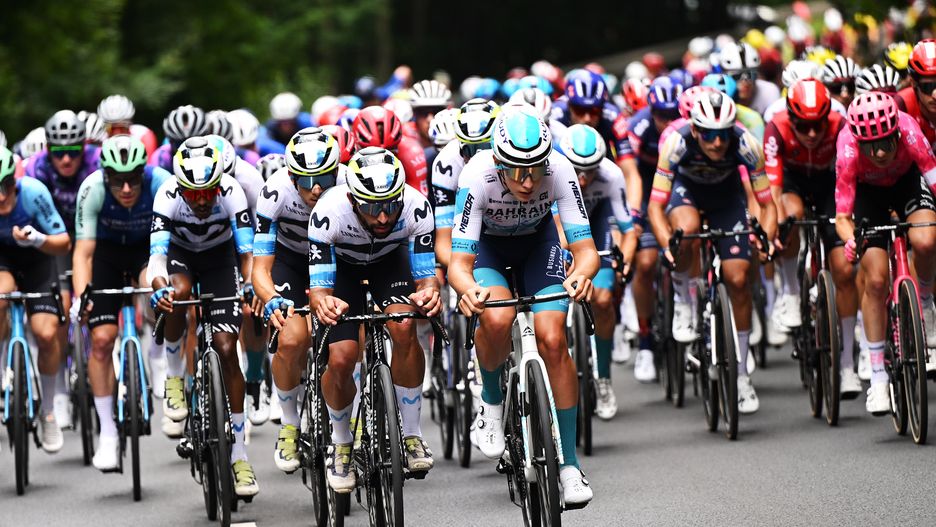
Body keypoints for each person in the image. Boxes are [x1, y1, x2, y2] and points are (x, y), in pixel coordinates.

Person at [448, 110, 597, 506]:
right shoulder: (476, 176)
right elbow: (459, 264)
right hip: (490, 252)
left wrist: (582, 275)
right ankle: (491, 401)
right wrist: (468, 290)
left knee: (553, 338)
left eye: (535, 170)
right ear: (499, 162)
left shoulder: (560, 169)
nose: (529, 182)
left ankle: (569, 466)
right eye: (517, 172)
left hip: (538, 246)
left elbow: (586, 251)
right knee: (497, 317)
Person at [307, 147, 440, 492]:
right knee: (342, 356)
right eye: (371, 207)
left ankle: (411, 434)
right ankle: (341, 444)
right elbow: (319, 292)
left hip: (389, 263)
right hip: (342, 271)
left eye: (390, 206)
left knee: (405, 325)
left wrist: (428, 294)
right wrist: (324, 305)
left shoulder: (417, 206)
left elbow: (426, 279)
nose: (382, 218)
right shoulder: (328, 212)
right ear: (352, 200)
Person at [648, 91, 778, 415]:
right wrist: (667, 246)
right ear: (694, 129)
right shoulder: (676, 143)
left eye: (723, 134)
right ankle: (684, 298)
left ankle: (742, 373)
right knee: (687, 230)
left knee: (739, 278)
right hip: (686, 193)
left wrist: (765, 239)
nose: (717, 143)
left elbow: (767, 204)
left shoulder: (746, 144)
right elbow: (655, 206)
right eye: (708, 134)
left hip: (726, 198)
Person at [148, 137, 259, 497]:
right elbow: (156, 260)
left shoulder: (232, 191)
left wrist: (250, 285)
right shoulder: (166, 194)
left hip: (220, 258)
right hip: (180, 256)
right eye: (193, 194)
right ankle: (174, 376)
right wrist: (159, 287)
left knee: (226, 349)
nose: (200, 201)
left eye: (207, 192)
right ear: (180, 186)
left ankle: (240, 456)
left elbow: (247, 253)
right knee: (177, 294)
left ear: (218, 185)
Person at [70, 135, 172, 470]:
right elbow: (83, 254)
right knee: (101, 340)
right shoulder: (92, 189)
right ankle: (108, 433)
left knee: (157, 293)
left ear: (144, 173)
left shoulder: (161, 183)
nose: (126, 189)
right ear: (105, 176)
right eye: (117, 181)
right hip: (106, 255)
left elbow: (171, 245)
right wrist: (82, 295)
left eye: (133, 180)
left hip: (148, 251)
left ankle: (158, 354)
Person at [834, 93, 936, 414]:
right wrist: (851, 240)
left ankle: (925, 302)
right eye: (870, 146)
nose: (878, 153)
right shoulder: (847, 147)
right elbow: (842, 217)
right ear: (858, 141)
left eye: (885, 143)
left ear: (896, 132)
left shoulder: (909, 129)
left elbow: (933, 176)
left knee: (926, 241)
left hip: (907, 182)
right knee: (876, 281)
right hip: (868, 195)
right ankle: (878, 376)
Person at [765, 79, 862, 397]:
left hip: (829, 181)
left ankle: (846, 366)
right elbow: (773, 189)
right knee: (789, 217)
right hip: (792, 181)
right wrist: (777, 224)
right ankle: (792, 293)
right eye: (803, 126)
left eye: (817, 125)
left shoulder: (841, 123)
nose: (811, 133)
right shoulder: (776, 126)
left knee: (844, 271)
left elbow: (852, 175)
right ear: (791, 118)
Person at [254, 128, 340, 473]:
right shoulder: (274, 192)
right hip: (290, 262)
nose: (316, 189)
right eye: (306, 181)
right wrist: (270, 297)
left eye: (325, 179)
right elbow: (260, 268)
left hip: (337, 260)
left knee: (350, 339)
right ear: (292, 177)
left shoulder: (350, 186)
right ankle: (290, 423)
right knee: (292, 339)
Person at [26, 109, 101, 427]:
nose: (66, 159)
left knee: (96, 303)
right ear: (49, 151)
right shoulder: (36, 168)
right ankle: (58, 392)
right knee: (60, 311)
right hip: (55, 241)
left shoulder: (97, 162)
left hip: (90, 237)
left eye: (73, 151)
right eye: (59, 152)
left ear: (84, 148)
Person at [557, 124, 637, 419]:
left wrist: (623, 262)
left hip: (596, 223)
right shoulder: (552, 172)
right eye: (577, 169)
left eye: (589, 170)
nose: (582, 178)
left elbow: (628, 231)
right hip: (559, 230)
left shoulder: (612, 175)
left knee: (603, 300)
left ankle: (603, 378)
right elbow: (556, 231)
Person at [0, 145, 72, 453]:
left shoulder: (33, 193)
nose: (1, 196)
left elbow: (64, 243)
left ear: (14, 181)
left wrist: (37, 238)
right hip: (3, 261)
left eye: (5, 186)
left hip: (38, 258)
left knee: (45, 334)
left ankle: (48, 411)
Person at [625, 75, 683, 381]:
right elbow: (629, 175)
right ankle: (645, 340)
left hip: (678, 188)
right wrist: (633, 217)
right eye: (662, 115)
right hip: (647, 191)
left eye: (675, 115)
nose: (669, 121)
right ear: (651, 111)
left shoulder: (688, 127)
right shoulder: (638, 127)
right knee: (645, 264)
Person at [717, 40, 781, 115]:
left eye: (751, 74)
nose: (745, 81)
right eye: (737, 76)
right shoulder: (718, 93)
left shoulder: (770, 92)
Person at [147, 105, 208, 172]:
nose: (188, 151)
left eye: (195, 143)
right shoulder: (161, 157)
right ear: (170, 141)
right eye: (179, 143)